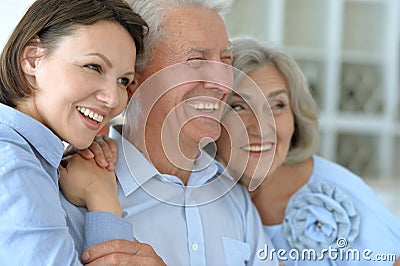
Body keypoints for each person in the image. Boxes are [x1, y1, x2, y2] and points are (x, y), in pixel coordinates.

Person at [61, 0, 277, 265]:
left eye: (226, 60)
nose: (222, 83)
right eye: (195, 60)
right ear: (134, 77)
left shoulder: (232, 195)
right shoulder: (73, 188)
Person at [0, 0, 164, 264]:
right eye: (94, 67)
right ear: (32, 59)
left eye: (123, 81)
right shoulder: (13, 165)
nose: (112, 99)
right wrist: (102, 197)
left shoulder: (47, 162)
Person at [214, 36, 400, 265]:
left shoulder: (336, 195)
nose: (261, 128)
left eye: (277, 105)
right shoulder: (203, 192)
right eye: (239, 106)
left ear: (296, 118)